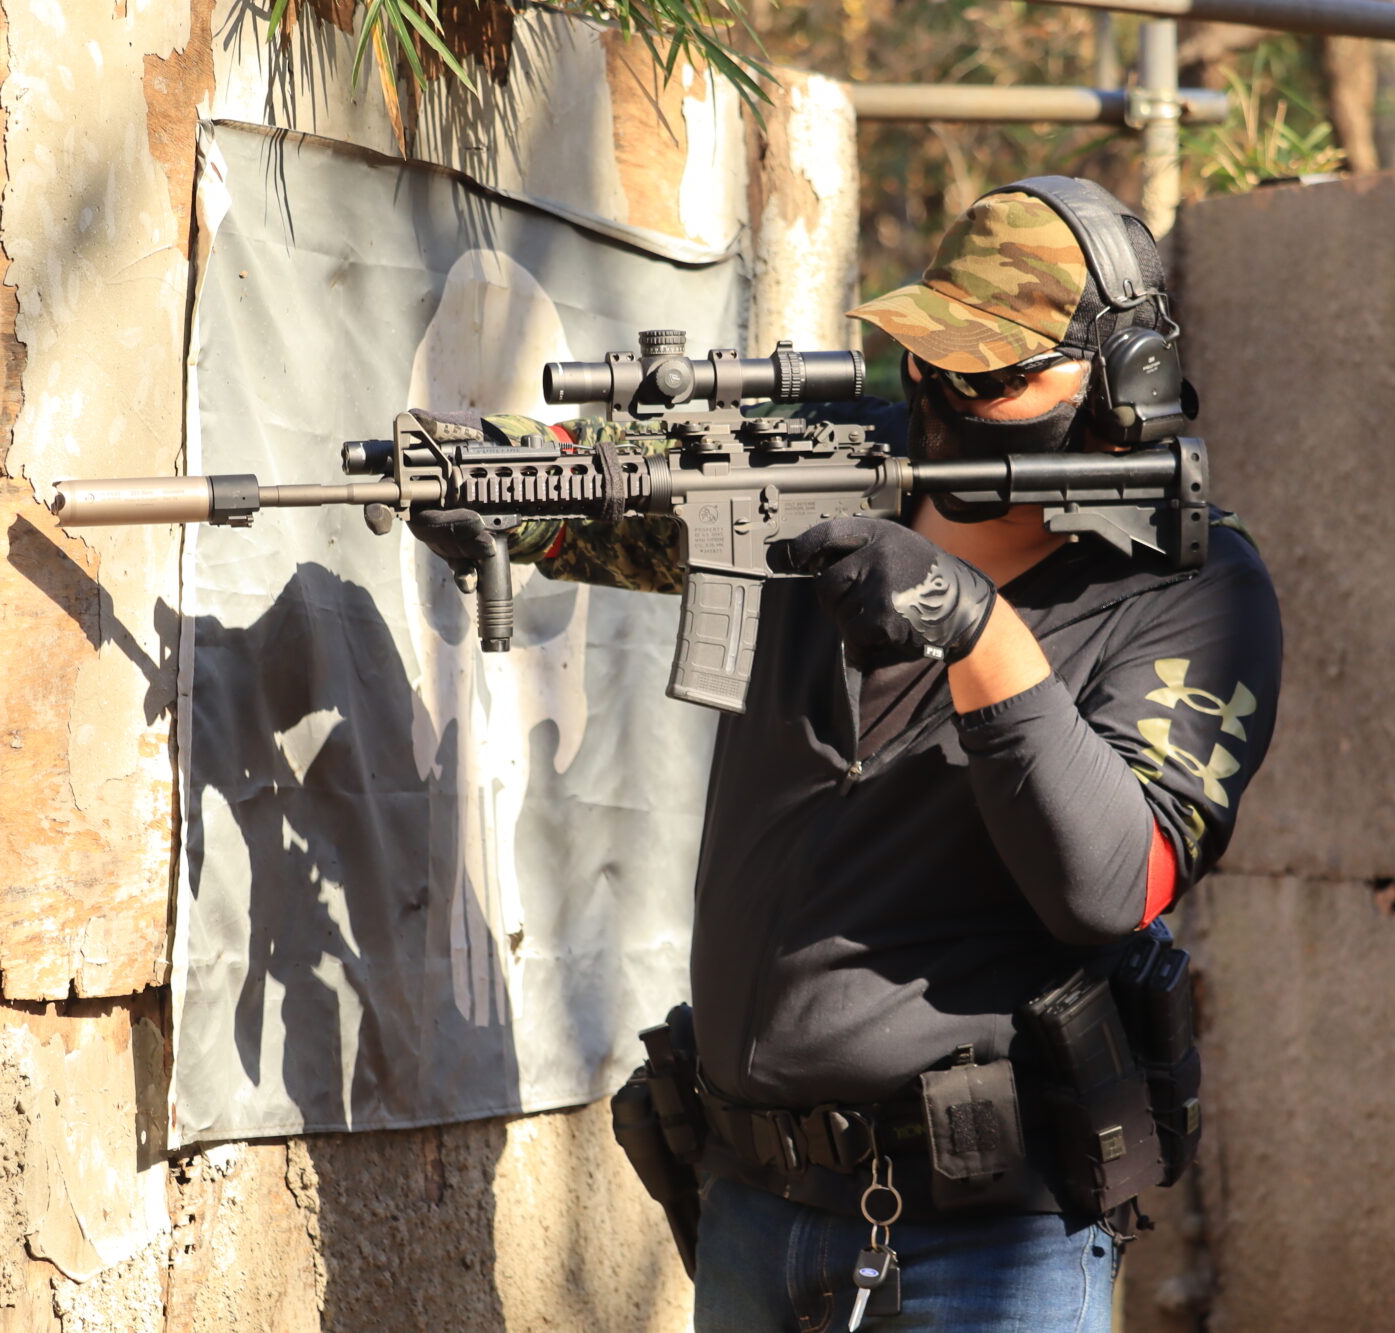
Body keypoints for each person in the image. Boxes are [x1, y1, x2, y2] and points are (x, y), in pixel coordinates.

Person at [414, 177, 1282, 1332]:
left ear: (1126, 383)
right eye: (930, 358)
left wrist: (972, 627)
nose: (947, 393)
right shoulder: (826, 464)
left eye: (993, 374)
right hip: (752, 1201)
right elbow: (609, 483)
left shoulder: (1191, 587)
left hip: (993, 1242)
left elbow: (1112, 883)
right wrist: (498, 476)